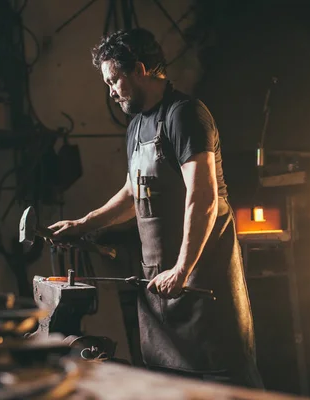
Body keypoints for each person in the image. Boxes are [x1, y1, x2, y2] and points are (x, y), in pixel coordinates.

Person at [48, 28, 264, 389]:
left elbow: (204, 197)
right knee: (168, 387)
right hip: (159, 285)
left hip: (201, 284)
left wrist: (182, 269)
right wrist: (83, 224)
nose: (111, 91)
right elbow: (134, 194)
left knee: (225, 385)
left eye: (115, 79)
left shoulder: (186, 115)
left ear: (141, 69)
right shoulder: (136, 126)